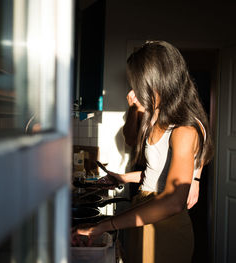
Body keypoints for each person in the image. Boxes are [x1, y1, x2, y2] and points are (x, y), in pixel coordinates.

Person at [73, 40, 213, 263]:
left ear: (158, 82)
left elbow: (173, 201)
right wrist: (124, 178)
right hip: (142, 212)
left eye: (138, 84)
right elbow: (157, 171)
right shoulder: (157, 118)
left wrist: (102, 226)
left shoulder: (184, 130)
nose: (133, 91)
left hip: (165, 225)